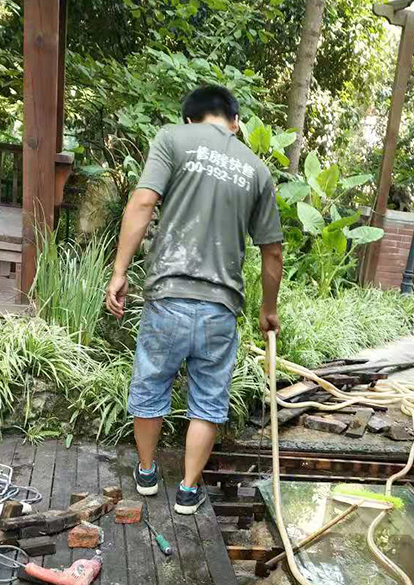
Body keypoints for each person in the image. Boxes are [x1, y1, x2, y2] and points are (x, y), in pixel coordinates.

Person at [105, 84, 284, 515]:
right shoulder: (257, 170)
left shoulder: (173, 138)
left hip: (168, 296)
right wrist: (268, 310)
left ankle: (147, 472)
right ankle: (187, 490)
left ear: (190, 118)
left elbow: (144, 201)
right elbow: (273, 251)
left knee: (151, 385)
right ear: (235, 122)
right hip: (221, 308)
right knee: (207, 400)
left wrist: (120, 271)